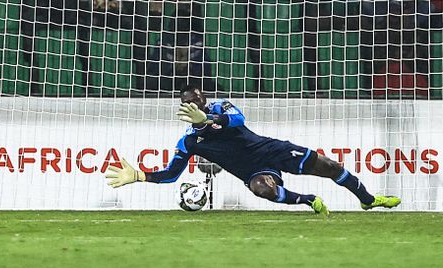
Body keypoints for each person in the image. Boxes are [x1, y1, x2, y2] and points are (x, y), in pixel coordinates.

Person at [105, 85, 402, 214]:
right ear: (185, 107)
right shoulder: (188, 142)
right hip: (254, 170)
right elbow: (171, 174)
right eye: (194, 103)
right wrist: (141, 176)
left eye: (202, 100)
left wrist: (208, 117)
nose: (201, 104)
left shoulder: (220, 108)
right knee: (263, 189)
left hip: (271, 150)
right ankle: (308, 201)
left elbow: (238, 118)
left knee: (332, 167)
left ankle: (368, 199)